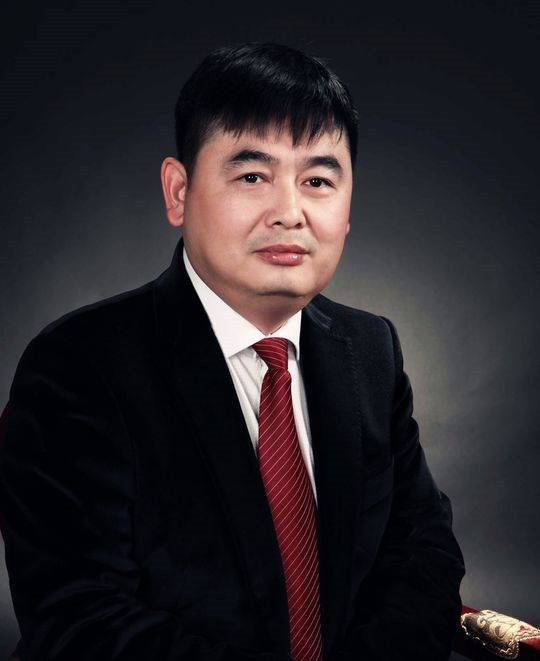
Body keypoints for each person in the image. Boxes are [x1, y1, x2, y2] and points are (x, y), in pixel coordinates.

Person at [0, 42, 465, 660]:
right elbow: (79, 617)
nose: (290, 213)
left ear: (349, 204)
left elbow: (423, 552)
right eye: (252, 176)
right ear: (178, 191)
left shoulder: (369, 349)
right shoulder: (77, 366)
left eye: (318, 181)